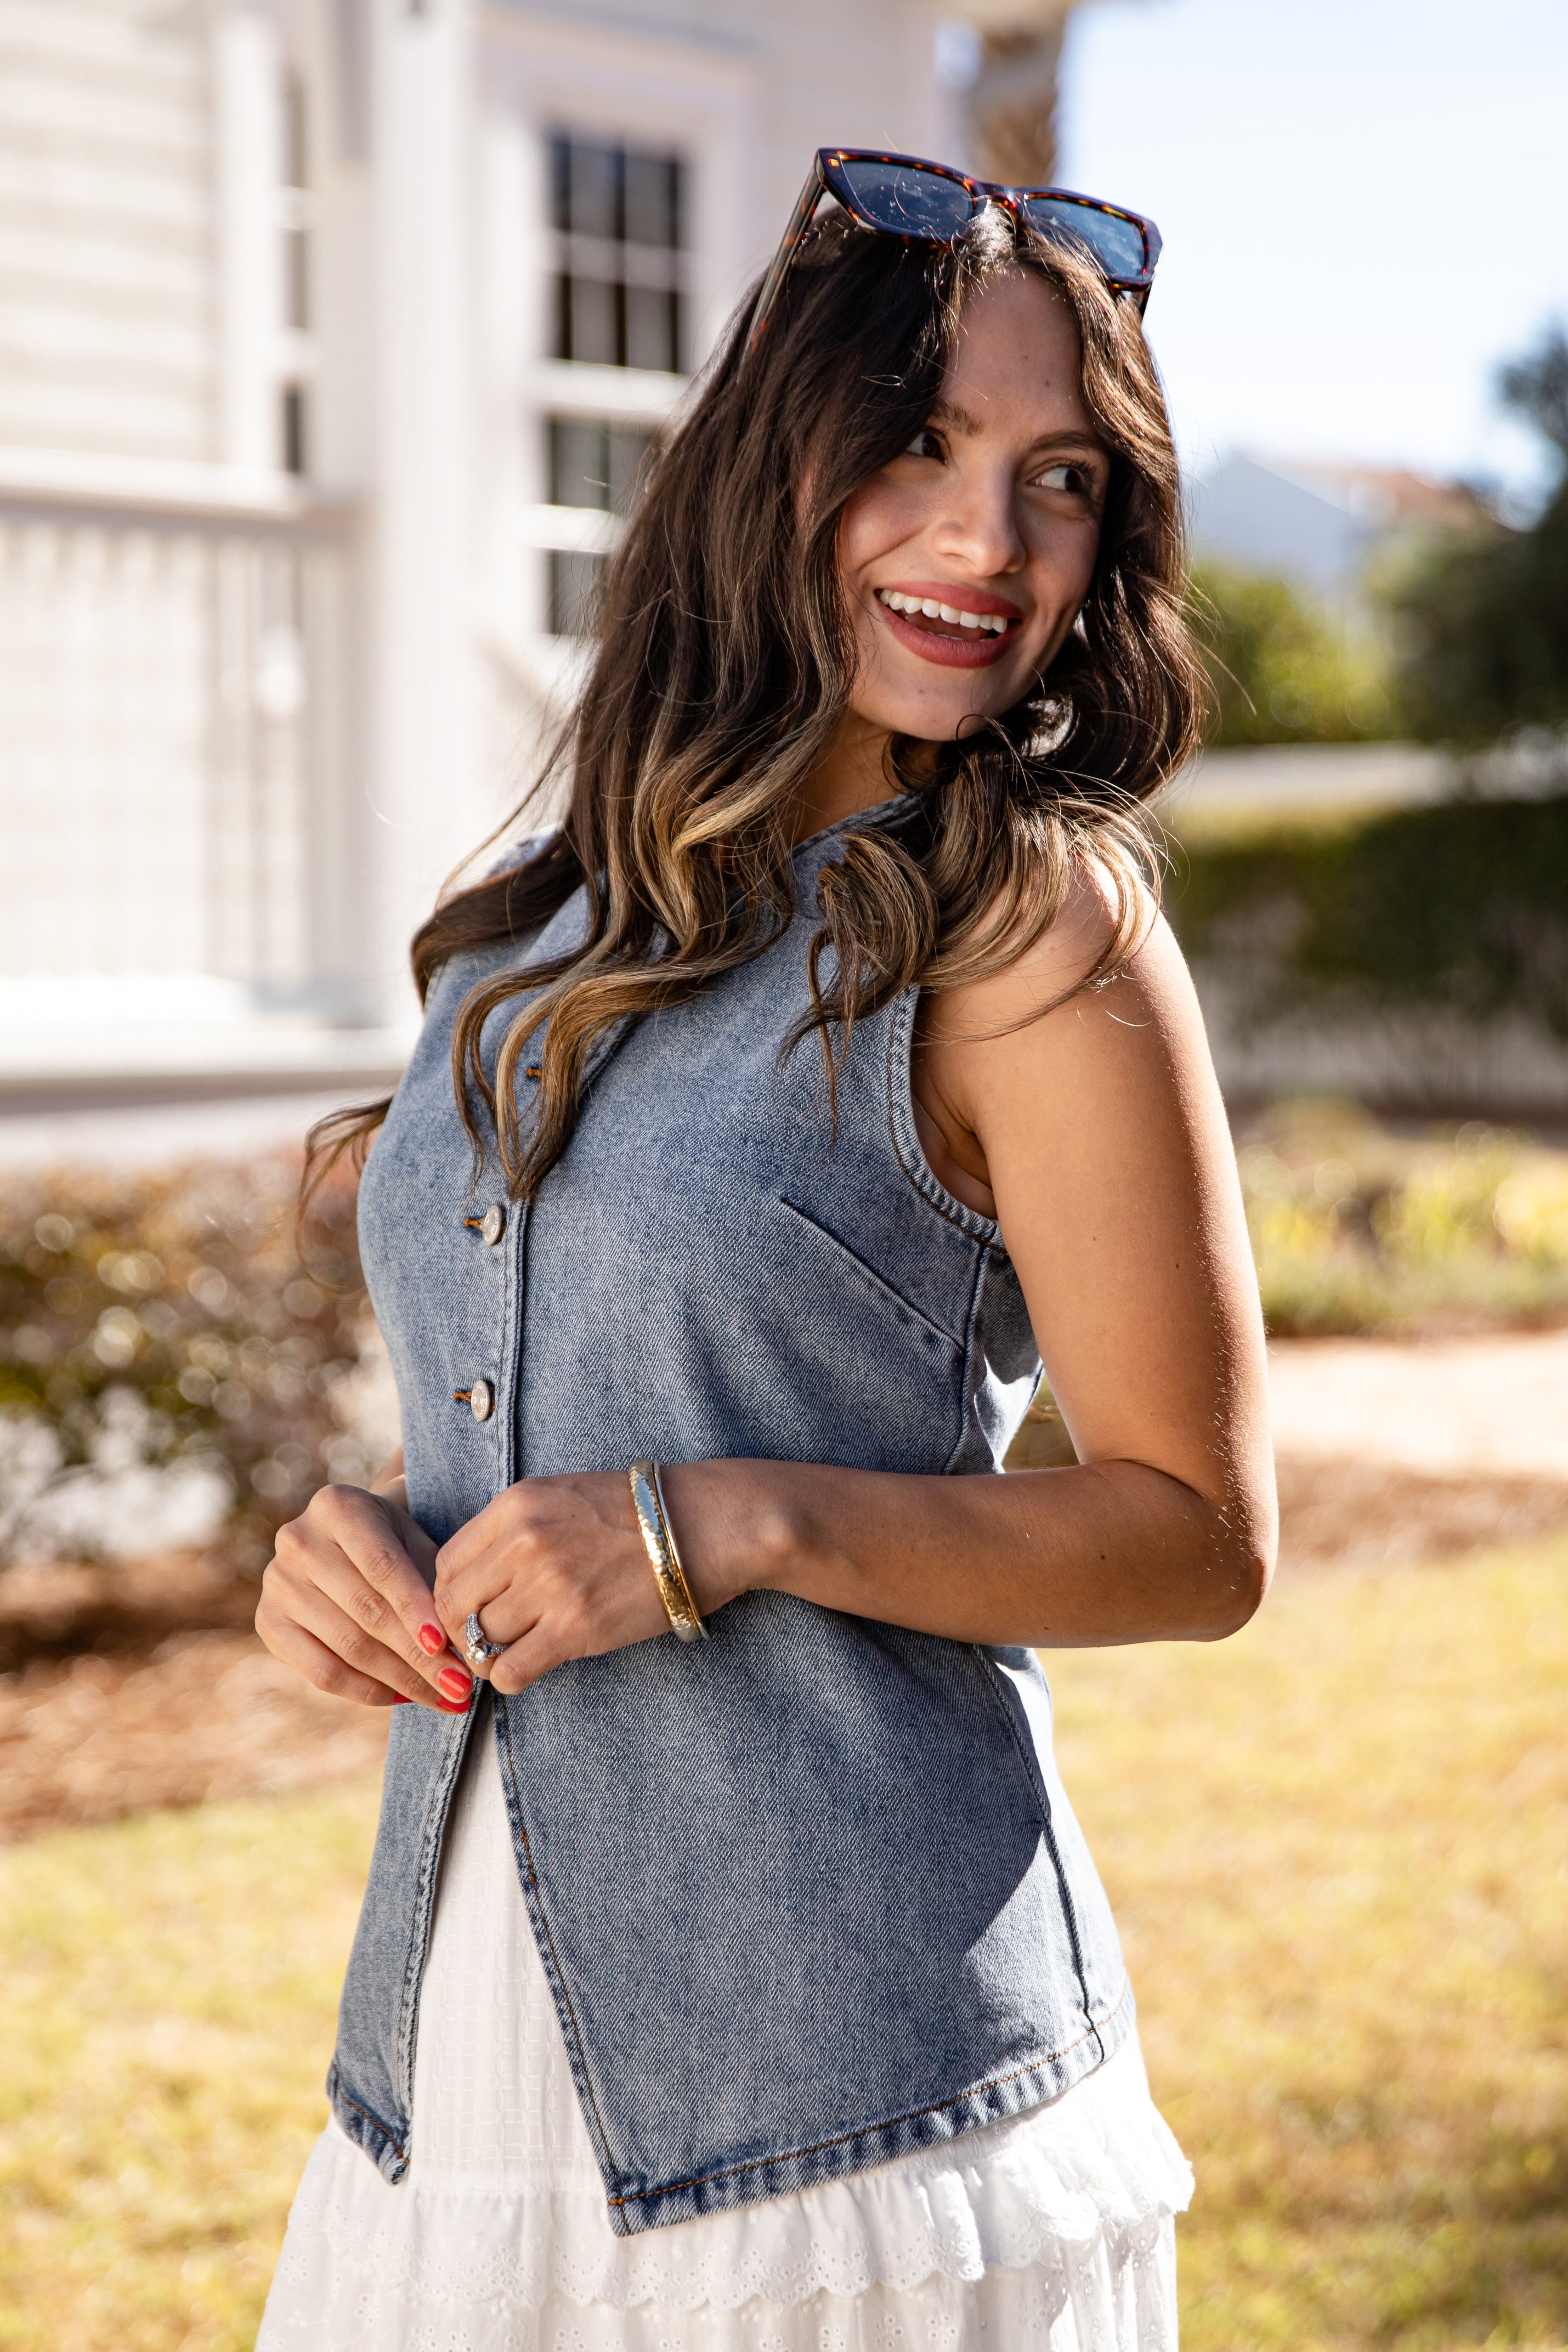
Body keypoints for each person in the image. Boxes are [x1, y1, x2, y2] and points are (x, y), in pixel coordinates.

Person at [253, 150, 1275, 2351]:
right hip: (456, 2076)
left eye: (1060, 478)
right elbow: (527, 1397)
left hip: (868, 2129)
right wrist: (353, 1547)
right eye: (919, 445)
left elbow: (1195, 1532)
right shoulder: (524, 931)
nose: (986, 542)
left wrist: (734, 1519)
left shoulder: (1027, 923)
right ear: (771, 463)